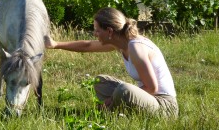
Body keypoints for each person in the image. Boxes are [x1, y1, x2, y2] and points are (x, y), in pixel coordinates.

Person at [45, 7, 178, 117]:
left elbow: (152, 88)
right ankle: (120, 113)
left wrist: (112, 99)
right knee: (101, 82)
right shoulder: (121, 42)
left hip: (165, 107)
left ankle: (108, 113)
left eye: (97, 30)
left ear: (109, 31)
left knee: (124, 90)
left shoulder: (136, 47)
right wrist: (55, 44)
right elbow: (88, 46)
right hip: (150, 99)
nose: (94, 34)